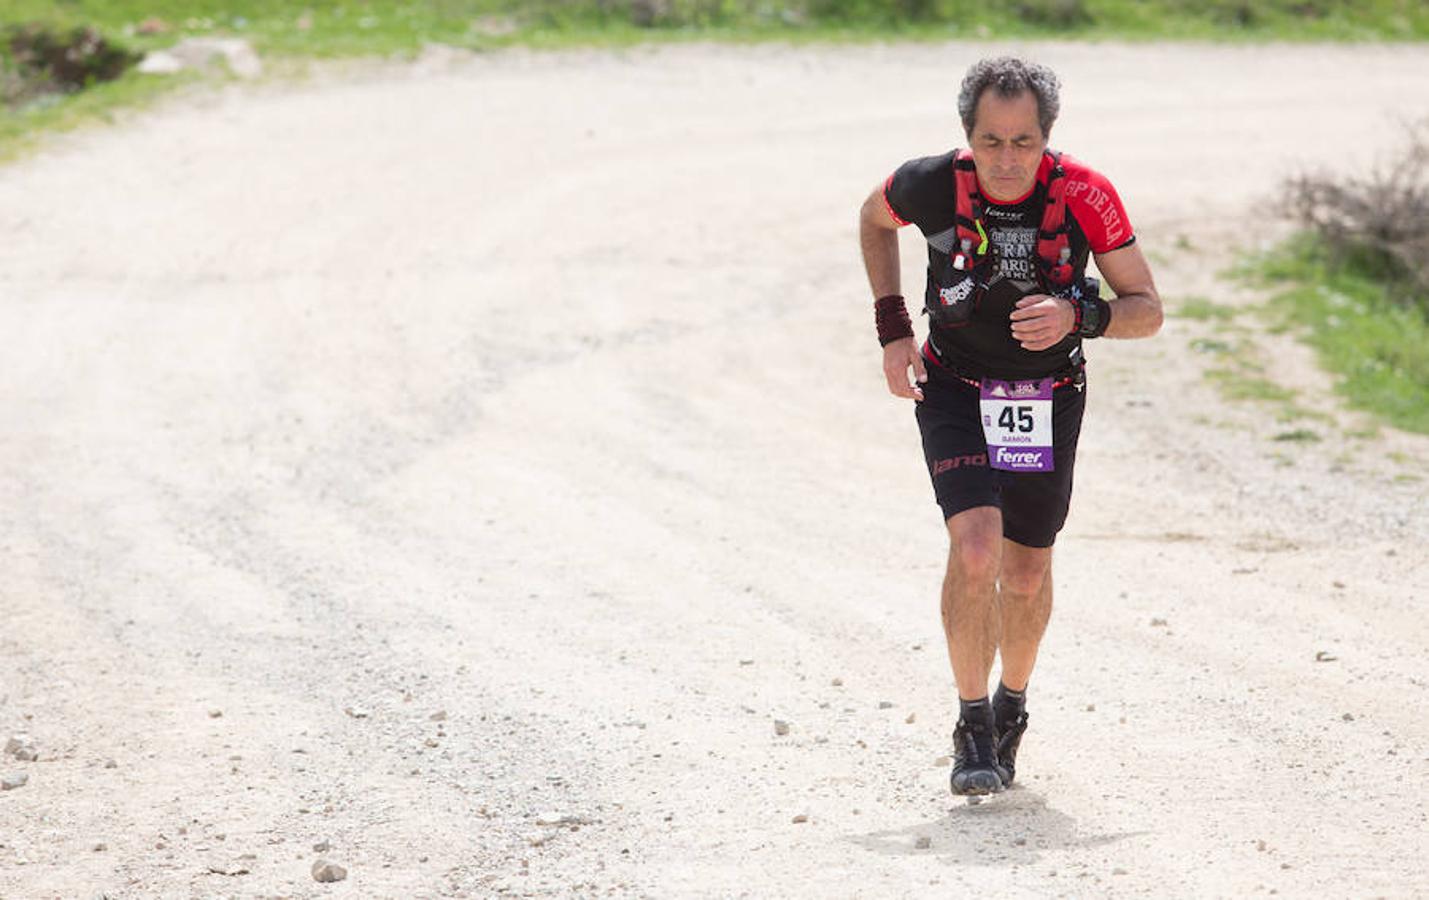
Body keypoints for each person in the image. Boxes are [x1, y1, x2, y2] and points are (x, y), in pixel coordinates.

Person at [858, 57, 1163, 796]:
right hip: (955, 388)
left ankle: (1010, 709)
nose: (1004, 160)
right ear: (967, 135)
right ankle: (970, 725)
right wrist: (892, 328)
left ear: (1045, 138)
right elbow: (871, 220)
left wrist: (1078, 315)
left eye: (1021, 142)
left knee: (1024, 572)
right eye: (990, 141)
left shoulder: (1087, 193)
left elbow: (1146, 309)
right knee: (973, 549)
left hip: (1045, 395)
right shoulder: (927, 183)